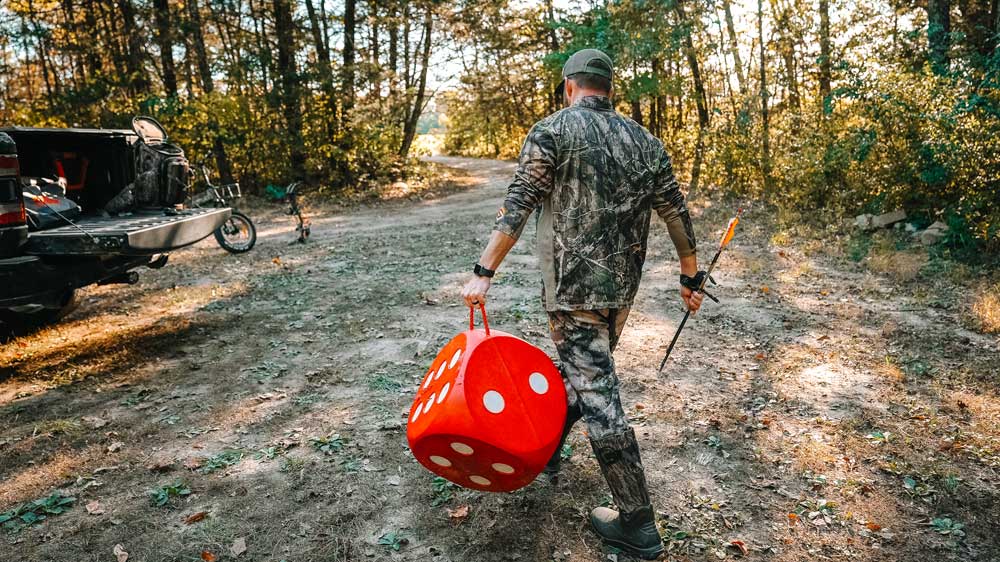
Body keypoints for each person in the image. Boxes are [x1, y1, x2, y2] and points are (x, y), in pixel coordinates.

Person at [460, 48, 706, 560]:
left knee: (598, 394)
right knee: (580, 372)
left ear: (569, 85)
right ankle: (546, 448)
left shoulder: (552, 130)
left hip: (572, 293)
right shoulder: (646, 141)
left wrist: (484, 272)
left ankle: (637, 522)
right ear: (608, 88)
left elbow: (518, 205)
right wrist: (690, 273)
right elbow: (676, 214)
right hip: (619, 292)